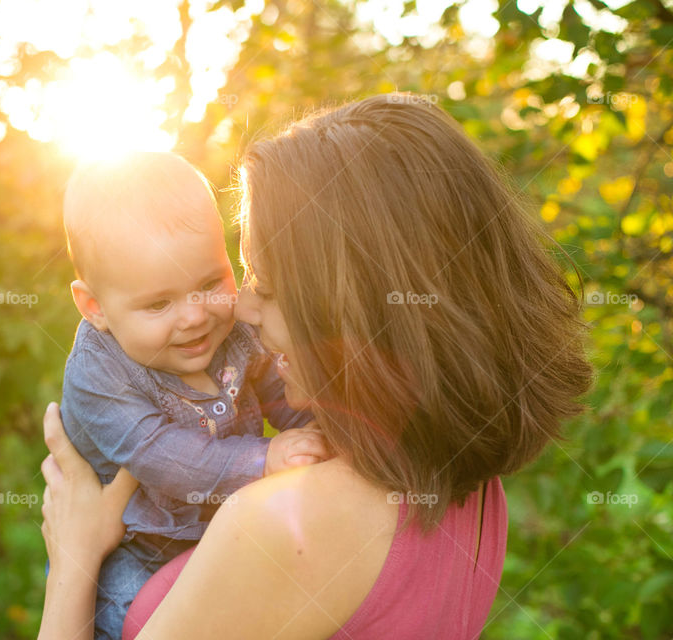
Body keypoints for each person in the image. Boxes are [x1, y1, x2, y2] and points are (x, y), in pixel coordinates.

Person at [38, 95, 593, 639]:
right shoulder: (465, 474)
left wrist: (72, 561)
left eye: (268, 290)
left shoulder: (277, 529)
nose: (243, 313)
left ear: (356, 315)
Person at [57, 151, 329, 639]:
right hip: (139, 546)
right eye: (159, 303)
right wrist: (264, 460)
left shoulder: (233, 329)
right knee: (130, 620)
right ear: (95, 306)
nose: (195, 316)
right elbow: (159, 454)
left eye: (209, 283)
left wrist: (317, 433)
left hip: (225, 533)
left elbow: (280, 392)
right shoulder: (97, 373)